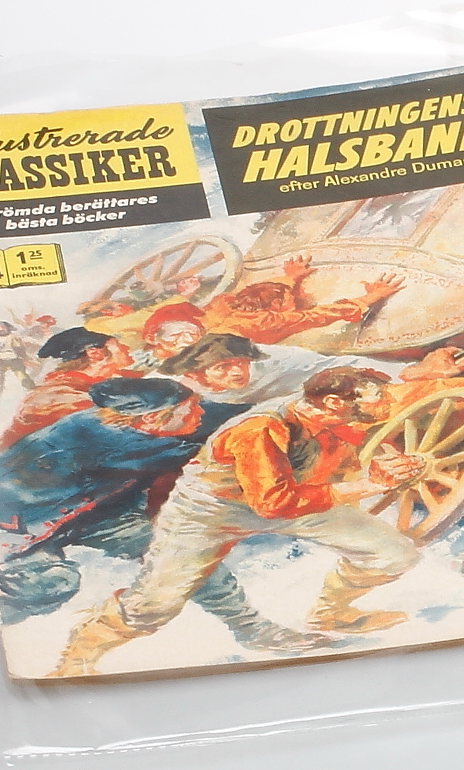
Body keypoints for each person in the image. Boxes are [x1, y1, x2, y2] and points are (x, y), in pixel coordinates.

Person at [47, 367, 426, 676]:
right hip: (210, 511)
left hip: (296, 498)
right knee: (156, 603)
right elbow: (273, 503)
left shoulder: (334, 414)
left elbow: (343, 454)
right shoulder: (260, 429)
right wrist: (372, 484)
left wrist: (383, 463)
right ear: (333, 402)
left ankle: (332, 613)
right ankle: (76, 661)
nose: (387, 402)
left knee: (395, 554)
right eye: (378, 397)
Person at [0, 378, 331, 653]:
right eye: (190, 409)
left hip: (104, 515)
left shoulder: (164, 421)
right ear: (150, 419)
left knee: (185, 557)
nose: (200, 413)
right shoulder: (98, 436)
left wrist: (310, 401)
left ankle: (252, 629)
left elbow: (235, 413)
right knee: (51, 585)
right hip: (18, 525)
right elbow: (199, 448)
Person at [201, 254, 404, 345]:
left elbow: (264, 290)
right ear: (275, 305)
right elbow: (318, 315)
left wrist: (291, 278)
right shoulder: (269, 321)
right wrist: (372, 296)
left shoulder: (227, 302)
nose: (296, 301)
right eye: (290, 300)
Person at [0, 326, 139, 449]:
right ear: (95, 353)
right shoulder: (58, 393)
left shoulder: (86, 384)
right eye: (118, 345)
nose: (126, 348)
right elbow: (106, 424)